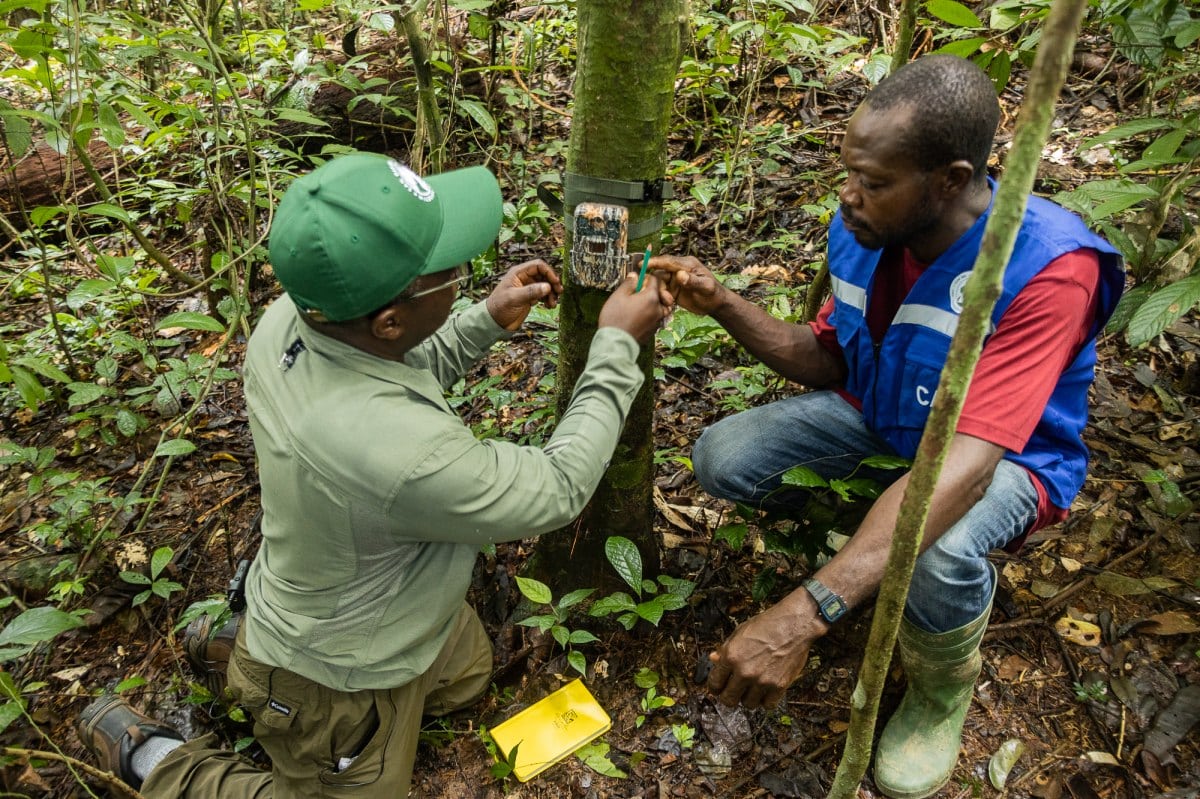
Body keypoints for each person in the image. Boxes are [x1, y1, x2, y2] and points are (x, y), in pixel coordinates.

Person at [75, 152, 671, 797]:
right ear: (390, 320)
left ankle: (235, 649)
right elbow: (556, 488)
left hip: (391, 609)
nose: (463, 278)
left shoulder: (295, 317)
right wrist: (615, 345)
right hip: (338, 671)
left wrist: (482, 319)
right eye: (453, 274)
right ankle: (158, 759)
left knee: (469, 676)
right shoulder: (404, 454)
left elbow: (391, 371)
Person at [651, 54, 1123, 799]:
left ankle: (940, 689)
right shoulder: (867, 230)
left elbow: (967, 465)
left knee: (935, 548)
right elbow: (829, 358)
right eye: (849, 173)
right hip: (883, 419)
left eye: (872, 182)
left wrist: (808, 610)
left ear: (950, 180)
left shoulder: (1048, 268)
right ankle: (872, 538)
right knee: (724, 455)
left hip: (1003, 459)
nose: (848, 197)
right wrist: (724, 303)